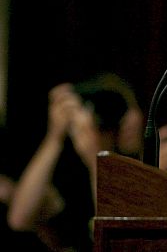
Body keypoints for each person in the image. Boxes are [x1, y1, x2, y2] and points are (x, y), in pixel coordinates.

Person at [7, 74, 143, 251]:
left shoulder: (141, 167)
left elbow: (123, 236)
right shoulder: (71, 170)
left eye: (125, 106)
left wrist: (95, 159)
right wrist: (54, 137)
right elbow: (19, 220)